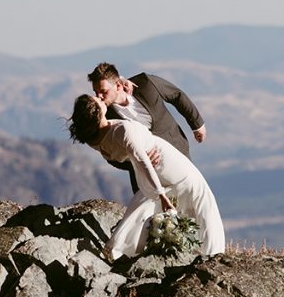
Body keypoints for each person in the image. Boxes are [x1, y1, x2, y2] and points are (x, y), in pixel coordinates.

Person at [69, 94, 225, 260]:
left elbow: (129, 157)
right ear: (97, 113)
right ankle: (213, 252)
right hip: (164, 162)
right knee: (200, 194)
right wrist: (161, 195)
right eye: (98, 101)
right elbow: (143, 161)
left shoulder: (94, 139)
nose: (101, 98)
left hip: (155, 167)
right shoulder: (122, 131)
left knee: (148, 202)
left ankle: (121, 248)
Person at [88, 63, 206, 190]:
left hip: (178, 151)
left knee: (192, 196)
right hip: (145, 180)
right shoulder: (104, 117)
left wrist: (197, 124)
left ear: (118, 85)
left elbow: (176, 95)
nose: (98, 96)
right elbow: (110, 155)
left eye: (103, 91)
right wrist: (137, 161)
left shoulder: (145, 83)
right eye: (96, 92)